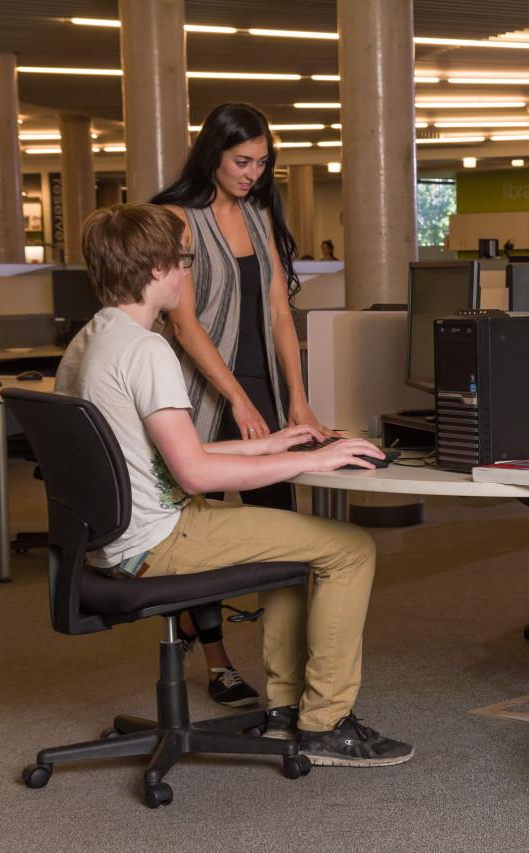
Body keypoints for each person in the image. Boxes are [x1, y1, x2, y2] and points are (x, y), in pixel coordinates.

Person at [55, 203, 413, 767]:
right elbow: (195, 474)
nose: (187, 272)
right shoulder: (147, 350)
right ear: (155, 269)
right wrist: (309, 463)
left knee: (297, 542)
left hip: (115, 539)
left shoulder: (91, 340)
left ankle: (284, 713)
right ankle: (326, 725)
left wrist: (269, 444)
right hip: (159, 539)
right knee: (349, 547)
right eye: (183, 260)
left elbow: (164, 454)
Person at [152, 103, 325, 706]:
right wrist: (237, 399)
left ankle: (285, 675)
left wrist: (297, 403)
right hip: (200, 389)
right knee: (197, 526)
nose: (253, 173)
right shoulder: (176, 218)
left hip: (263, 389)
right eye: (241, 161)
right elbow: (186, 322)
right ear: (213, 154)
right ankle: (218, 660)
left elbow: (280, 312)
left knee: (280, 528)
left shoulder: (257, 216)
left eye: (261, 162)